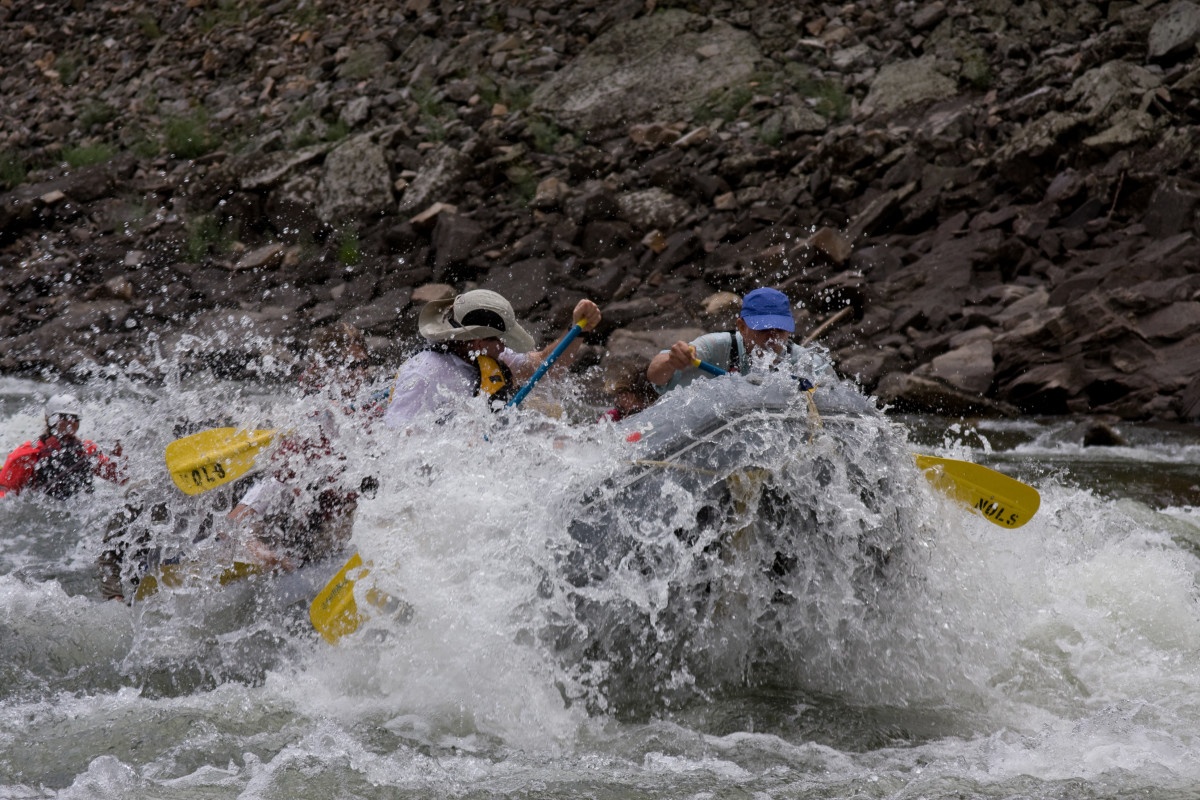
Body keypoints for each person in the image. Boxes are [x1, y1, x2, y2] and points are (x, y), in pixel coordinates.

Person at [223, 324, 377, 572]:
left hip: (347, 530)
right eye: (350, 366)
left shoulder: (370, 415)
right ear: (325, 369)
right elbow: (257, 499)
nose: (360, 374)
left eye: (363, 364)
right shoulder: (308, 428)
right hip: (306, 537)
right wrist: (252, 546)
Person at [383, 289, 603, 429]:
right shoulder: (423, 373)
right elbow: (396, 437)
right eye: (499, 339)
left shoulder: (484, 353)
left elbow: (543, 368)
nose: (503, 346)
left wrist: (577, 330)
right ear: (477, 341)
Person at [645, 287, 825, 394]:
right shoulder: (714, 346)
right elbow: (655, 376)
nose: (772, 337)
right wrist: (671, 360)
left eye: (780, 329)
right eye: (763, 329)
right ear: (741, 326)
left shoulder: (806, 360)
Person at [0, 394, 125, 499]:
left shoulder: (88, 450)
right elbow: (5, 496)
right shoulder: (28, 453)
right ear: (49, 419)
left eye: (75, 418)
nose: (70, 422)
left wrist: (117, 452)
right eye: (63, 417)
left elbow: (120, 478)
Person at [598, 354, 658, 422]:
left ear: (628, 396)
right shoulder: (612, 416)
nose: (615, 401)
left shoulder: (614, 417)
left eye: (619, 395)